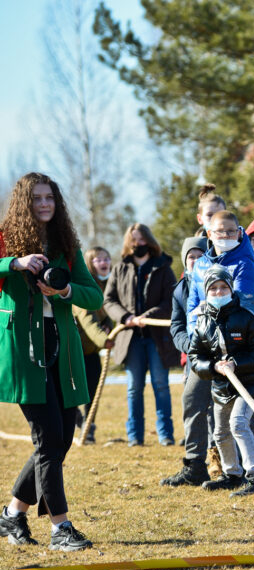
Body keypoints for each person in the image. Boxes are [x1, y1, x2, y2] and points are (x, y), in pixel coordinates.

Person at [0, 172, 102, 550]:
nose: (45, 204)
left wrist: (65, 290)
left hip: (62, 350)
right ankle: (61, 528)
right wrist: (15, 262)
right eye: (37, 198)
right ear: (23, 203)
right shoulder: (5, 239)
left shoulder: (65, 244)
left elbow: (94, 296)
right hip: (23, 352)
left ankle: (12, 515)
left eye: (50, 198)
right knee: (48, 440)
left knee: (61, 440)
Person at [190, 265, 254, 496]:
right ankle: (232, 475)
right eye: (213, 288)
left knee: (238, 423)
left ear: (231, 288)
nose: (218, 292)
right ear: (206, 291)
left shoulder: (249, 314)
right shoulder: (202, 320)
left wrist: (237, 364)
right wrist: (213, 367)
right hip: (222, 385)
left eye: (223, 287)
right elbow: (195, 356)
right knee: (220, 432)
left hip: (251, 381)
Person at [103, 223, 180, 446]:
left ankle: (165, 434)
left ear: (149, 241)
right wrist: (126, 317)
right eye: (134, 240)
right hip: (130, 338)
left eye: (142, 239)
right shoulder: (120, 268)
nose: (138, 244)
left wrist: (147, 316)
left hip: (157, 337)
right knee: (133, 387)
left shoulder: (163, 267)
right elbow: (109, 300)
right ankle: (135, 436)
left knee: (161, 384)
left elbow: (170, 301)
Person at [161, 235, 213, 488]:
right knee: (192, 402)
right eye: (191, 256)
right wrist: (190, 346)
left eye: (200, 256)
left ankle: (234, 466)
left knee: (224, 411)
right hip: (196, 358)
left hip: (223, 356)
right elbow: (177, 326)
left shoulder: (219, 280)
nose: (195, 260)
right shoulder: (180, 289)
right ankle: (195, 466)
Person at [186, 211, 254, 332]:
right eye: (220, 231)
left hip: (234, 336)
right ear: (210, 234)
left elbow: (241, 305)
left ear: (239, 233)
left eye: (231, 231)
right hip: (204, 336)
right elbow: (193, 306)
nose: (225, 235)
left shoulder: (245, 265)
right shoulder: (200, 265)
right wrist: (195, 334)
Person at [73, 246, 115, 443]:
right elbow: (87, 319)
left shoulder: (109, 285)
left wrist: (109, 325)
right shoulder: (84, 286)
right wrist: (104, 340)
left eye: (106, 258)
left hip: (91, 350)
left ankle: (88, 428)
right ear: (89, 264)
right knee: (72, 392)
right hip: (74, 349)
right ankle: (77, 420)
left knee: (93, 391)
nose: (104, 262)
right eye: (98, 259)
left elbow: (106, 315)